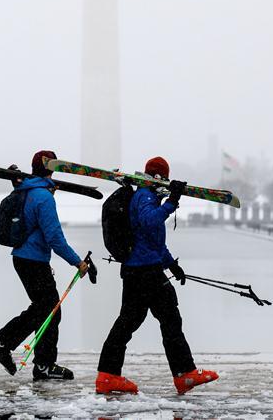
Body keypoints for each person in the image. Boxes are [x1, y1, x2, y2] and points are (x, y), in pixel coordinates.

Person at [95, 156, 218, 395]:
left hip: (139, 269)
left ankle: (108, 375)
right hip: (145, 272)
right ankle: (184, 374)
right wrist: (172, 201)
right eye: (165, 178)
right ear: (159, 177)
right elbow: (150, 222)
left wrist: (172, 265)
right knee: (169, 319)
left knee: (129, 321)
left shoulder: (146, 196)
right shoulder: (145, 196)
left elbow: (152, 241)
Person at [0, 149, 90, 381]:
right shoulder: (42, 197)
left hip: (25, 259)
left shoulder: (30, 190)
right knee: (47, 310)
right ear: (52, 168)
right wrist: (78, 262)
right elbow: (54, 237)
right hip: (32, 260)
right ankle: (5, 345)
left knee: (47, 310)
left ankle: (37, 362)